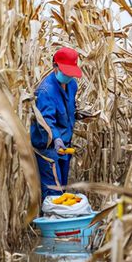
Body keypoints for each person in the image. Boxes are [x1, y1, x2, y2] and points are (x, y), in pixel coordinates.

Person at [30, 47, 82, 201]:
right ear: (55, 66)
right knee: (54, 192)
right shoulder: (46, 91)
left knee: (63, 188)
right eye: (65, 72)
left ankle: (62, 222)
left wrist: (77, 114)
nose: (68, 76)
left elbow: (67, 108)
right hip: (48, 147)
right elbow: (45, 121)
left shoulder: (72, 85)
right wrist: (56, 138)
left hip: (64, 145)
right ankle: (52, 221)